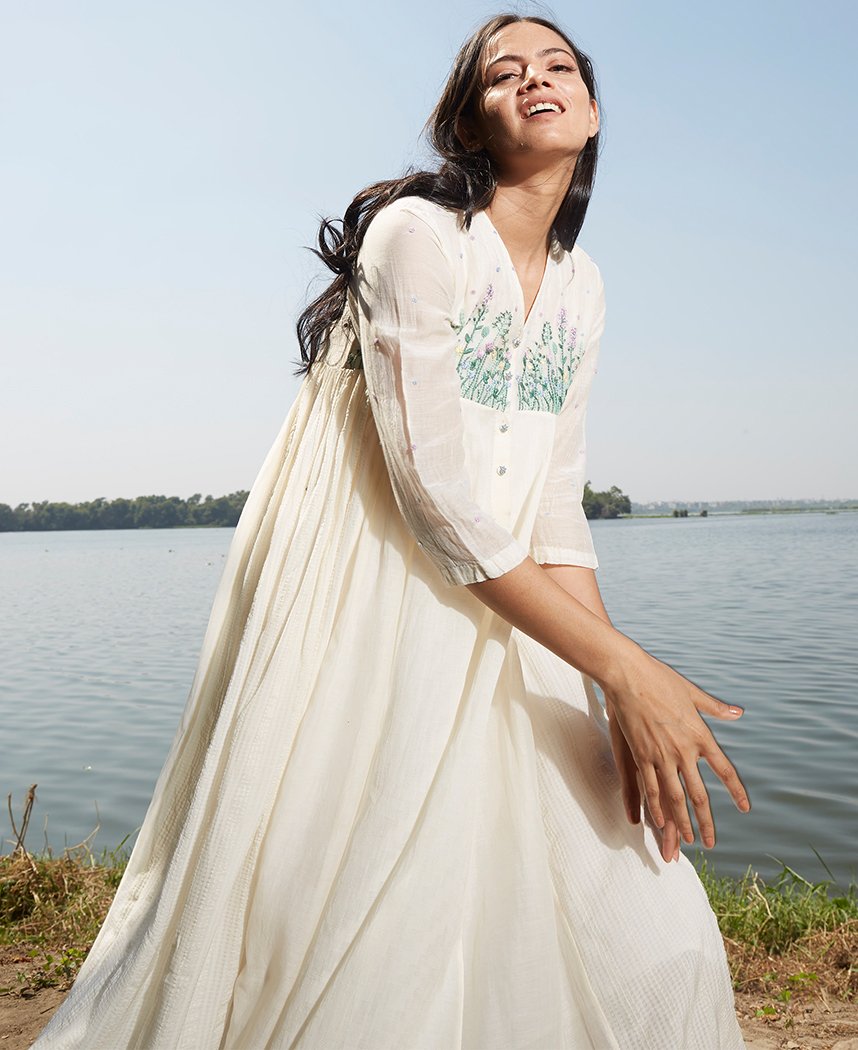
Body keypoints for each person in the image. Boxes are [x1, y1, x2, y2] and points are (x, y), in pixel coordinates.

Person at [32, 12, 751, 1049]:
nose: (535, 80)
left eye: (557, 66)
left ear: (593, 114)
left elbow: (554, 504)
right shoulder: (416, 235)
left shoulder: (584, 287)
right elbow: (436, 495)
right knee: (367, 915)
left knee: (641, 905)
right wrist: (629, 668)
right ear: (469, 122)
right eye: (503, 73)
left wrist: (613, 699)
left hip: (519, 617)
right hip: (375, 611)